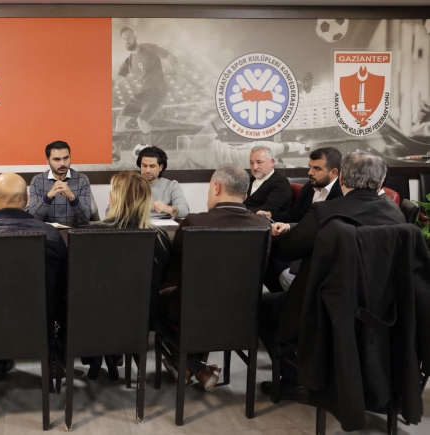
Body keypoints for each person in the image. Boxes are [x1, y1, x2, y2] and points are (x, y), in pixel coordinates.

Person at [260, 151, 405, 401]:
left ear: (342, 179)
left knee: (263, 307)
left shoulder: (325, 212)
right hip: (382, 311)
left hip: (326, 309)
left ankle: (298, 380)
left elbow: (287, 250)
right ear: (381, 182)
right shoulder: (397, 216)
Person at [160, 163, 270, 391]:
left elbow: (175, 266)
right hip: (244, 311)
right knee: (204, 300)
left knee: (154, 304)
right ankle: (191, 366)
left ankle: (191, 365)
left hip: (195, 311)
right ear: (245, 194)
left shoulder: (194, 222)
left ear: (217, 187)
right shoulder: (263, 225)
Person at [0, 173, 68, 382]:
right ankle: (52, 355)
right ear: (27, 200)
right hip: (40, 319)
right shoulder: (50, 234)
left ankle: (0, 358)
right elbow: (64, 282)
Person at [82, 171, 171, 381]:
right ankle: (114, 356)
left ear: (114, 199)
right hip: (141, 317)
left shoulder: (89, 236)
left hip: (95, 318)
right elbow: (162, 280)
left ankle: (95, 356)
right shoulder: (160, 237)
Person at [257, 147, 343, 293]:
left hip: (319, 248)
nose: (310, 172)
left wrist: (289, 227)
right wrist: (271, 216)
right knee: (264, 251)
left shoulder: (341, 193)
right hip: (300, 238)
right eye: (310, 167)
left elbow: (327, 228)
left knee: (272, 255)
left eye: (317, 168)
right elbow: (294, 215)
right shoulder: (309, 187)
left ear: (334, 172)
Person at [113, 25, 183, 161]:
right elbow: (116, 80)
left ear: (136, 37)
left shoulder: (149, 48)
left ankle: (150, 152)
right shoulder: (128, 62)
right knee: (120, 120)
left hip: (159, 92)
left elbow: (171, 57)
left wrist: (179, 76)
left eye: (129, 37)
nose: (127, 40)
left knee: (142, 121)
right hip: (143, 93)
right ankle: (116, 153)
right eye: (124, 39)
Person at [28, 141, 91, 226]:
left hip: (73, 231)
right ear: (47, 161)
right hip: (47, 231)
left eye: (66, 158)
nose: (62, 163)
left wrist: (72, 197)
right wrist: (48, 197)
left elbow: (86, 218)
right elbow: (33, 218)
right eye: (57, 159)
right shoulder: (37, 180)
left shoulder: (82, 179)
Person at [136, 146, 189, 219]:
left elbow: (184, 211)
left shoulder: (171, 185)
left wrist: (169, 209)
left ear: (160, 167)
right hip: (137, 224)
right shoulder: (130, 185)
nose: (147, 170)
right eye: (144, 166)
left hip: (165, 224)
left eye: (152, 166)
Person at [243, 145, 292, 213]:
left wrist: (241, 214)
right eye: (251, 163)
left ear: (272, 162)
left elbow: (269, 208)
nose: (254, 167)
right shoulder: (250, 180)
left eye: (259, 162)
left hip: (263, 219)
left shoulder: (281, 182)